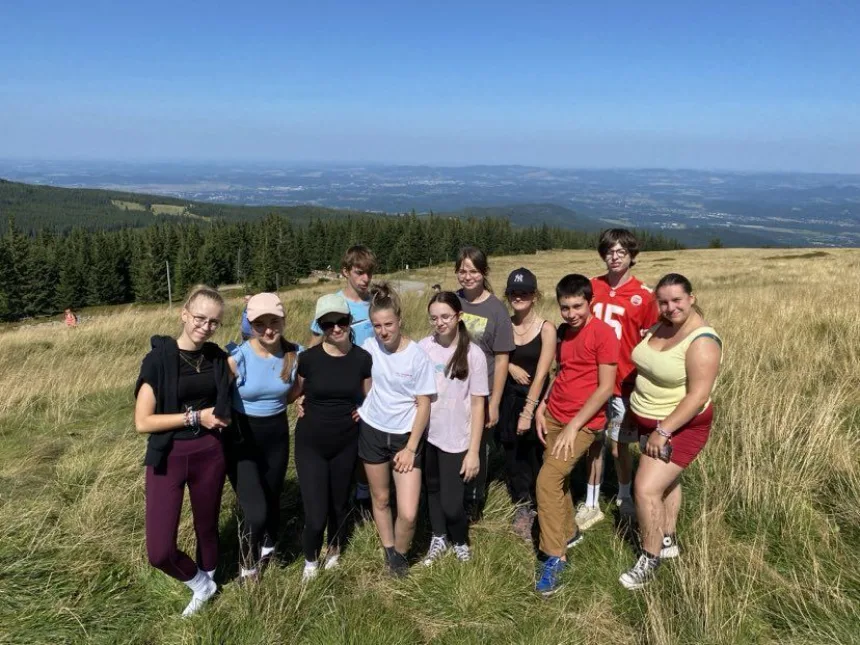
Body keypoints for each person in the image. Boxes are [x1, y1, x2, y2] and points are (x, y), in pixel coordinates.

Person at [133, 285, 232, 617]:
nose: (205, 326)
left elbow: (259, 350)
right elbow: (143, 421)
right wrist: (195, 417)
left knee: (207, 528)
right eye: (200, 318)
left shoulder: (217, 357)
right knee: (159, 550)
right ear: (184, 314)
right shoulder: (159, 360)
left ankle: (209, 588)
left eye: (214, 322)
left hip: (210, 454)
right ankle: (200, 584)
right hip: (169, 457)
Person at [618, 274, 722, 589]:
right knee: (667, 480)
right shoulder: (663, 325)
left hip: (678, 427)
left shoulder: (701, 340)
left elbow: (697, 397)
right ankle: (668, 538)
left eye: (677, 300)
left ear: (691, 298)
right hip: (649, 421)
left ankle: (649, 559)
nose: (670, 306)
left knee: (646, 488)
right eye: (663, 301)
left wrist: (663, 431)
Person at [533, 275, 619, 596]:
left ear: (590, 302)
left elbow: (605, 388)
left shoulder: (603, 334)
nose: (571, 313)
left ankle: (555, 556)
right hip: (555, 414)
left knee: (546, 480)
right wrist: (542, 406)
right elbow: (562, 373)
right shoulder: (564, 333)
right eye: (565, 307)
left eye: (577, 306)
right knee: (558, 480)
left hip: (583, 424)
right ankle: (568, 531)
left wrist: (574, 426)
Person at [579, 229, 659, 529]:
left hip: (624, 381)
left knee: (618, 445)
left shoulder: (644, 295)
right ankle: (591, 501)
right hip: (592, 378)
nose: (615, 257)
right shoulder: (591, 286)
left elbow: (653, 339)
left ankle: (625, 495)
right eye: (610, 252)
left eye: (621, 252)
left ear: (631, 256)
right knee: (593, 442)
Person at [357, 282, 436, 577]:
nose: (383, 331)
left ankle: (401, 554)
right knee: (380, 498)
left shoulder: (416, 356)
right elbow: (364, 383)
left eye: (388, 324)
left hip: (405, 437)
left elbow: (424, 405)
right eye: (377, 325)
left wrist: (411, 447)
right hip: (373, 430)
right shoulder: (368, 349)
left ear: (400, 320)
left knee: (409, 512)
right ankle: (390, 550)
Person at [293, 293, 372, 582]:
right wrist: (296, 401)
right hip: (311, 444)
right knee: (316, 511)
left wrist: (365, 411)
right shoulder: (307, 359)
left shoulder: (363, 359)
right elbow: (294, 393)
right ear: (319, 326)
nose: (336, 328)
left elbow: (370, 396)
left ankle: (335, 548)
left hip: (346, 443)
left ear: (350, 321)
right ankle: (311, 560)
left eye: (341, 321)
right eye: (328, 324)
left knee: (339, 504)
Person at [225, 293, 302, 583]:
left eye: (274, 322)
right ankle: (247, 566)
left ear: (283, 320)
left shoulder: (295, 354)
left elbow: (298, 389)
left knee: (271, 498)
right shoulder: (238, 357)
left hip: (277, 436)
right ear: (250, 324)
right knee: (254, 509)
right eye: (260, 324)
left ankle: (268, 545)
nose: (268, 330)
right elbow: (215, 395)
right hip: (242, 439)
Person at [418, 292, 488, 565]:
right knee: (432, 490)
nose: (440, 322)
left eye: (445, 316)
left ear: (459, 316)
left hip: (457, 439)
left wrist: (473, 452)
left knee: (451, 502)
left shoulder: (474, 354)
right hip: (428, 435)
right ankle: (438, 536)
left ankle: (459, 540)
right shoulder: (425, 347)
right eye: (434, 317)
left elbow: (478, 405)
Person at [308, 245, 377, 508]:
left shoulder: (375, 304)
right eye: (359, 273)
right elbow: (314, 349)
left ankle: (362, 492)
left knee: (366, 441)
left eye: (369, 273)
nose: (365, 279)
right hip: (337, 387)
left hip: (369, 385)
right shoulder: (331, 305)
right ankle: (340, 490)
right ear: (345, 272)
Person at [455, 246, 515, 520]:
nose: (467, 277)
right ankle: (452, 491)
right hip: (454, 391)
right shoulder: (453, 302)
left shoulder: (496, 310)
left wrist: (495, 402)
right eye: (462, 271)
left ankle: (473, 500)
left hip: (483, 392)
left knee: (478, 447)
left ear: (484, 273)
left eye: (473, 271)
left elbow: (502, 359)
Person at [498, 268, 556, 541]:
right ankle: (522, 504)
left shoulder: (546, 328)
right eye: (513, 292)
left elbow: (543, 372)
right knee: (512, 453)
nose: (518, 297)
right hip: (508, 399)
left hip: (536, 403)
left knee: (535, 454)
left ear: (534, 295)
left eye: (524, 292)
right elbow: (493, 357)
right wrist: (509, 366)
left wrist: (528, 411)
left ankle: (539, 504)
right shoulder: (504, 325)